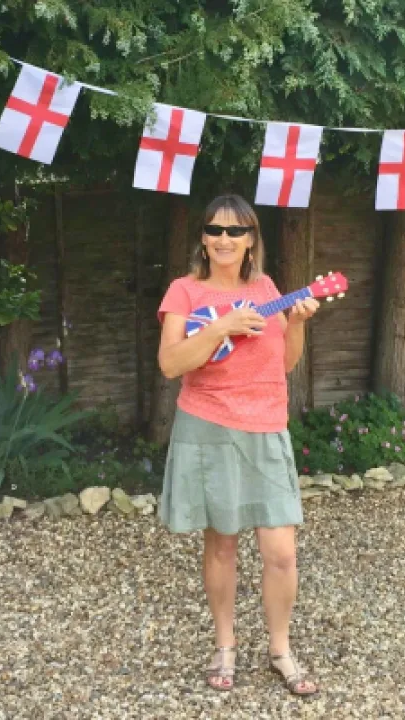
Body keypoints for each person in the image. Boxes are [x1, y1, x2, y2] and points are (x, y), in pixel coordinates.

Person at [156, 193, 320, 696]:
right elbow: (171, 363)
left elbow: (285, 363)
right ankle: (225, 646)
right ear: (203, 239)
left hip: (266, 427)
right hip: (208, 427)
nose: (224, 239)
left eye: (236, 230)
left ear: (251, 240)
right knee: (222, 544)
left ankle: (280, 650)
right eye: (215, 230)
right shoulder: (184, 291)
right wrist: (222, 327)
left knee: (281, 552)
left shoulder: (266, 289)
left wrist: (296, 323)